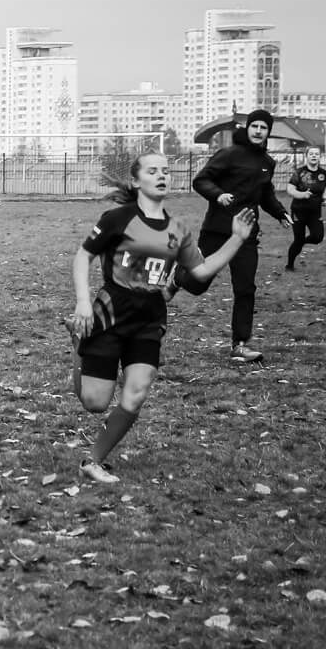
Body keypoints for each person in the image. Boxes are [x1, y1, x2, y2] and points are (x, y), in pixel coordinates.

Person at [67, 153, 256, 483]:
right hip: (112, 311)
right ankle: (78, 344)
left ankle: (93, 461)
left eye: (166, 171)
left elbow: (201, 271)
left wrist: (237, 238)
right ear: (137, 180)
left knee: (136, 392)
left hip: (150, 316)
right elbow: (84, 255)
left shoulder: (178, 229)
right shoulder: (118, 218)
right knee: (95, 403)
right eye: (152, 171)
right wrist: (83, 303)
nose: (161, 175)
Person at [185, 108, 289, 363]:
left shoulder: (267, 163)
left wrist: (280, 212)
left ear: (268, 132)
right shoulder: (229, 155)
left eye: (263, 128)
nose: (258, 131)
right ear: (247, 128)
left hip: (246, 234)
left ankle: (240, 344)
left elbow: (265, 195)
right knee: (198, 285)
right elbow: (201, 180)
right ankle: (177, 278)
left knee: (245, 288)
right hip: (217, 230)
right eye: (254, 126)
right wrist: (218, 195)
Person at [285, 145, 326, 271]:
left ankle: (301, 242)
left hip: (315, 212)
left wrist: (325, 198)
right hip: (298, 211)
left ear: (320, 157)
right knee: (298, 240)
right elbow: (290, 189)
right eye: (311, 154)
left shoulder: (323, 174)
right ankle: (289, 265)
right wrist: (302, 195)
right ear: (306, 156)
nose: (314, 156)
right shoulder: (299, 173)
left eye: (316, 154)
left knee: (317, 237)